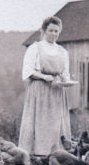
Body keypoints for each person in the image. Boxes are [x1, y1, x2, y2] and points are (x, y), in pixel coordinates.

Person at [18, 16, 75, 156]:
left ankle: (57, 154)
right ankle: (38, 154)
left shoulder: (62, 51)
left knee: (56, 124)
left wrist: (66, 80)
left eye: (57, 31)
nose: (54, 34)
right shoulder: (35, 48)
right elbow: (28, 71)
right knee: (41, 122)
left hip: (57, 91)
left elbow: (65, 73)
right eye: (51, 31)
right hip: (40, 90)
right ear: (44, 30)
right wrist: (44, 77)